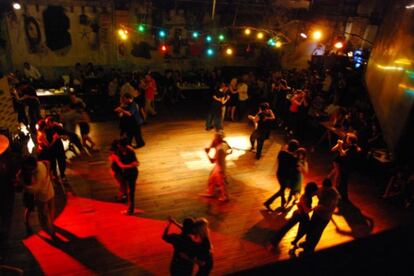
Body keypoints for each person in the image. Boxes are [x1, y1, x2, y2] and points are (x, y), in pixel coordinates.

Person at [268, 182, 318, 250]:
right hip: (300, 215)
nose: (316, 193)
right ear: (312, 191)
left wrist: (300, 206)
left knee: (299, 229)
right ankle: (273, 243)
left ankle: (293, 241)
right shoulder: (306, 197)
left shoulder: (306, 196)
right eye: (315, 191)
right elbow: (306, 210)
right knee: (288, 228)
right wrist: (315, 208)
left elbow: (299, 204)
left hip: (301, 215)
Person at [17, 156, 56, 237]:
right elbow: (47, 162)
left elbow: (35, 189)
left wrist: (22, 185)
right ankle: (50, 226)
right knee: (48, 209)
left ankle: (49, 228)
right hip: (48, 191)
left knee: (43, 213)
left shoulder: (37, 173)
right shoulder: (39, 165)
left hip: (42, 194)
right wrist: (49, 175)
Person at [300, 178, 339, 255]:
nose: (323, 189)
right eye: (323, 188)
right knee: (310, 229)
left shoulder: (334, 195)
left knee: (316, 234)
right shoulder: (322, 189)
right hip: (316, 213)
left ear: (329, 187)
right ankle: (307, 243)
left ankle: (309, 250)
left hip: (324, 217)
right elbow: (313, 192)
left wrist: (321, 207)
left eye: (325, 188)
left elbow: (331, 209)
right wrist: (305, 198)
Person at [263, 139, 299, 211]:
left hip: (279, 174)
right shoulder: (293, 158)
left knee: (282, 190)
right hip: (286, 176)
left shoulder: (281, 153)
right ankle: (268, 202)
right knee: (282, 190)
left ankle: (282, 204)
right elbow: (295, 168)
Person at [109, 138, 139, 215]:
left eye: (120, 146)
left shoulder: (130, 151)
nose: (119, 148)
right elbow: (121, 165)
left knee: (131, 191)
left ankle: (130, 209)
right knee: (124, 188)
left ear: (124, 146)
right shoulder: (119, 152)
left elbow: (136, 162)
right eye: (118, 146)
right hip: (125, 172)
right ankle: (124, 198)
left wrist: (134, 164)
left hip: (132, 173)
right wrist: (131, 165)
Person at [200, 131, 232, 202]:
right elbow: (230, 150)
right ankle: (211, 192)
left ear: (216, 140)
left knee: (221, 183)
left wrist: (207, 154)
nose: (213, 140)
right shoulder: (224, 145)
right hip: (221, 166)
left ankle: (225, 197)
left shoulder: (219, 149)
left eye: (214, 138)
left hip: (219, 168)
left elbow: (212, 161)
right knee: (212, 180)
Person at [330, 132, 361, 203]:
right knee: (338, 176)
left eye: (348, 138)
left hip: (346, 165)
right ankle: (336, 191)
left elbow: (343, 154)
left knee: (340, 177)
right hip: (340, 162)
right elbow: (333, 150)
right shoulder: (345, 144)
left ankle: (336, 192)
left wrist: (340, 146)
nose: (346, 139)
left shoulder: (353, 147)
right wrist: (339, 145)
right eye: (347, 138)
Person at [44, 117, 67, 182]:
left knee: (62, 162)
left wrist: (60, 136)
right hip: (51, 149)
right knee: (53, 163)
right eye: (46, 123)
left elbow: (65, 137)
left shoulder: (57, 128)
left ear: (52, 122)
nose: (47, 125)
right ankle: (55, 176)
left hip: (59, 147)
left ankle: (62, 175)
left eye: (48, 123)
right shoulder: (45, 130)